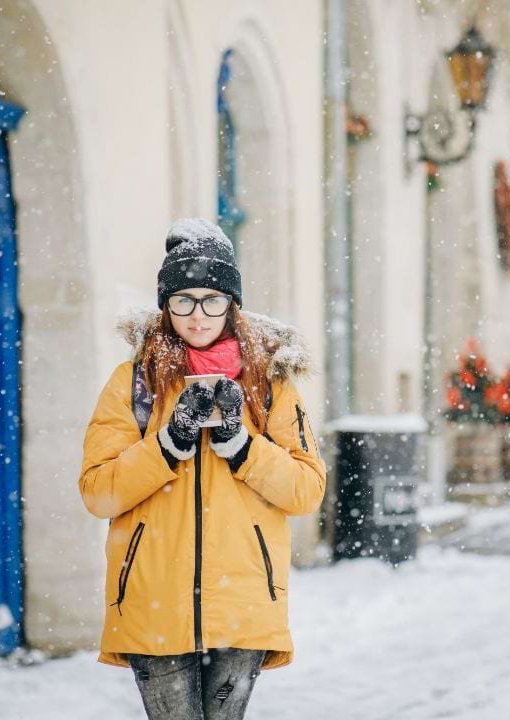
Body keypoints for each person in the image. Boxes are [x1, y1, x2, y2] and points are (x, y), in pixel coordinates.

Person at [79, 219, 326, 719]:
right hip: (152, 603)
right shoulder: (134, 383)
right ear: (164, 305)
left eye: (211, 299)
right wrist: (170, 443)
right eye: (182, 300)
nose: (197, 316)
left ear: (231, 304)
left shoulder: (270, 384)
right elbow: (98, 492)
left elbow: (306, 490)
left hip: (244, 604)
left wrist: (240, 445)